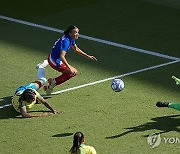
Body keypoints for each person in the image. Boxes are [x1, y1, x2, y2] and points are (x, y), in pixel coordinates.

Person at [37, 25, 97, 95]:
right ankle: (52, 83)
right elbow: (62, 56)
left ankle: (52, 83)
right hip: (54, 61)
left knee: (73, 72)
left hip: (54, 58)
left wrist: (88, 56)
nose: (77, 34)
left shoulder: (71, 38)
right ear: (70, 33)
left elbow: (76, 49)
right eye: (75, 32)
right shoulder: (66, 41)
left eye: (77, 32)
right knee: (72, 72)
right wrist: (69, 67)